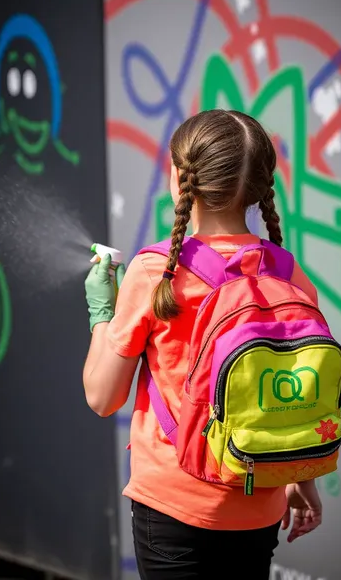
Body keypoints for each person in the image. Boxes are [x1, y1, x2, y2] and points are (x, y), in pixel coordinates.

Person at [83, 110, 323, 579]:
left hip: (172, 506)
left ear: (178, 177)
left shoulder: (157, 273)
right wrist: (300, 476)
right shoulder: (287, 273)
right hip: (260, 500)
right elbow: (295, 387)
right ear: (261, 185)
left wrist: (101, 316)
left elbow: (101, 397)